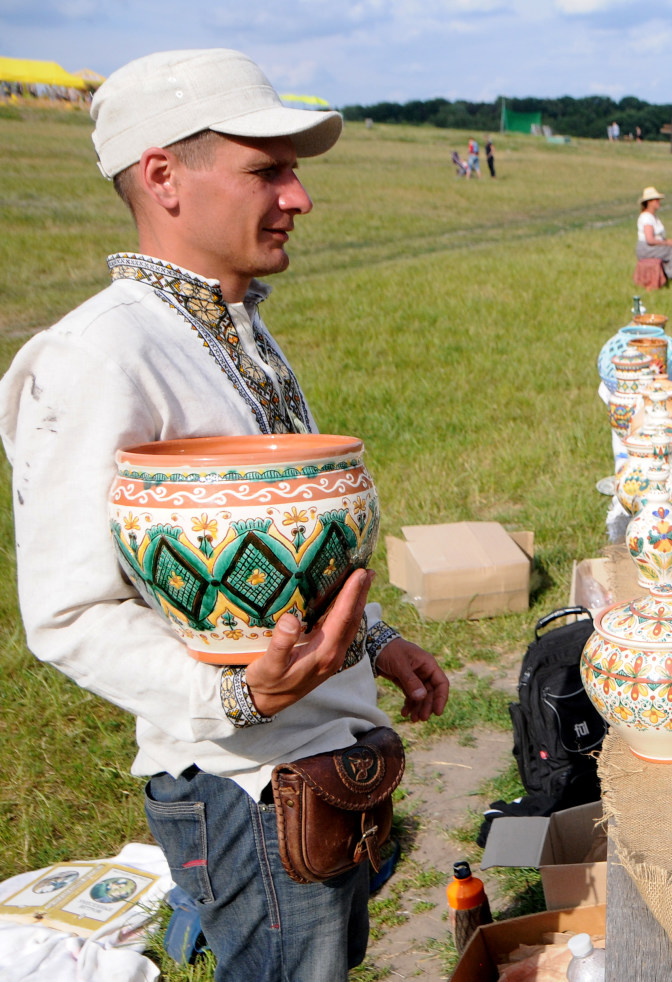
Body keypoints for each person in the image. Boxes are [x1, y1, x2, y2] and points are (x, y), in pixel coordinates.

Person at [0, 49, 450, 981]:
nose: (298, 197)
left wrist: (372, 638)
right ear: (164, 176)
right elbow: (66, 613)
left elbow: (283, 559)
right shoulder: (101, 356)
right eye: (267, 170)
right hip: (245, 788)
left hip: (320, 758)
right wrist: (238, 695)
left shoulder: (232, 324)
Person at [635, 186, 672, 284]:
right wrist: (667, 243)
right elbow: (650, 240)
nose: (658, 202)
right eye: (656, 200)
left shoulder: (653, 217)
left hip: (653, 246)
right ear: (649, 202)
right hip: (647, 248)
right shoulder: (646, 218)